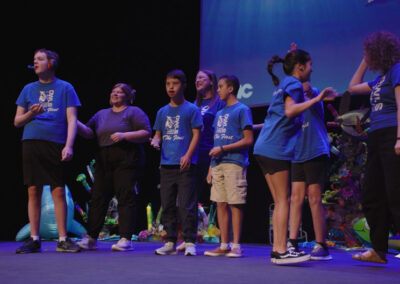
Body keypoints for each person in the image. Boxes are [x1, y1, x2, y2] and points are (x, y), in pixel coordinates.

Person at [253, 48, 335, 264]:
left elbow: (278, 114)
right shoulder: (294, 84)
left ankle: (277, 249)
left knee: (281, 200)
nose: (312, 68)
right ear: (300, 67)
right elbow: (290, 111)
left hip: (263, 146)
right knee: (283, 201)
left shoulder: (283, 85)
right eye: (309, 65)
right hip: (275, 147)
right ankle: (281, 251)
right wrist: (317, 98)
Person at [14, 48, 81, 253]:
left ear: (51, 63)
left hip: (55, 142)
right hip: (32, 141)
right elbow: (17, 122)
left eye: (40, 59)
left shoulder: (66, 88)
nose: (35, 63)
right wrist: (31, 115)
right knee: (33, 189)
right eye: (34, 60)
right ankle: (34, 239)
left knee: (58, 189)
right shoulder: (28, 89)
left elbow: (72, 120)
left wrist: (68, 145)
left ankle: (62, 239)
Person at [76, 83, 151, 251]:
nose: (115, 94)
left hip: (126, 157)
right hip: (104, 158)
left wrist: (125, 135)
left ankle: (125, 239)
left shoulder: (133, 112)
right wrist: (74, 121)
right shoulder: (101, 114)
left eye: (120, 92)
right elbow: (88, 132)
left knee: (125, 197)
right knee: (98, 198)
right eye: (113, 91)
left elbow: (146, 133)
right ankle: (91, 238)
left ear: (128, 97)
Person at [348, 30, 400, 264]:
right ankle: (379, 251)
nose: (365, 56)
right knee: (371, 193)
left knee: (395, 194)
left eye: (367, 52)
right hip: (376, 138)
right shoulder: (379, 80)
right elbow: (352, 88)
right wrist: (365, 60)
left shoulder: (397, 70)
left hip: (392, 135)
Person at [150, 69, 203, 256]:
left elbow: (197, 134)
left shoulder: (192, 109)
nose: (171, 87)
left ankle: (189, 241)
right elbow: (157, 135)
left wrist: (188, 155)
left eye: (175, 83)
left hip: (186, 164)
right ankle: (170, 241)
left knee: (187, 204)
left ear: (184, 85)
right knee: (168, 205)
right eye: (168, 84)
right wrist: (155, 141)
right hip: (166, 165)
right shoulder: (162, 112)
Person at [203, 75, 253, 258]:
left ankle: (236, 245)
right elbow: (217, 141)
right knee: (220, 203)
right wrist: (210, 166)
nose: (218, 90)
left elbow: (248, 139)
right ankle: (223, 244)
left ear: (231, 88)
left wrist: (223, 148)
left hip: (234, 162)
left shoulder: (242, 109)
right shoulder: (219, 113)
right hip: (217, 164)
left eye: (221, 86)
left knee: (235, 203)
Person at [176, 69, 225, 253]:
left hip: (214, 155)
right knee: (188, 198)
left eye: (201, 78)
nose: (197, 81)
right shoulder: (193, 105)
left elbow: (221, 131)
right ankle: (189, 238)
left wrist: (213, 162)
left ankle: (226, 242)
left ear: (212, 81)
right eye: (195, 78)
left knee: (221, 200)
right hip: (193, 156)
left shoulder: (219, 104)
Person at [288, 80, 332, 261]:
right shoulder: (292, 103)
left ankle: (321, 244)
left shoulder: (313, 93)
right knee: (296, 198)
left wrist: (297, 67)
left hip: (315, 150)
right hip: (297, 153)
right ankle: (292, 242)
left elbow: (307, 89)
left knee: (314, 197)